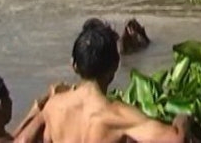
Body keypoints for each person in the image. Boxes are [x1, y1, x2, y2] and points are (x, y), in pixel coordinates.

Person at [22, 20, 190, 143]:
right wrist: (182, 119)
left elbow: (24, 141)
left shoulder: (53, 107)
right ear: (115, 65)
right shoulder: (118, 115)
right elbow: (176, 139)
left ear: (74, 65)